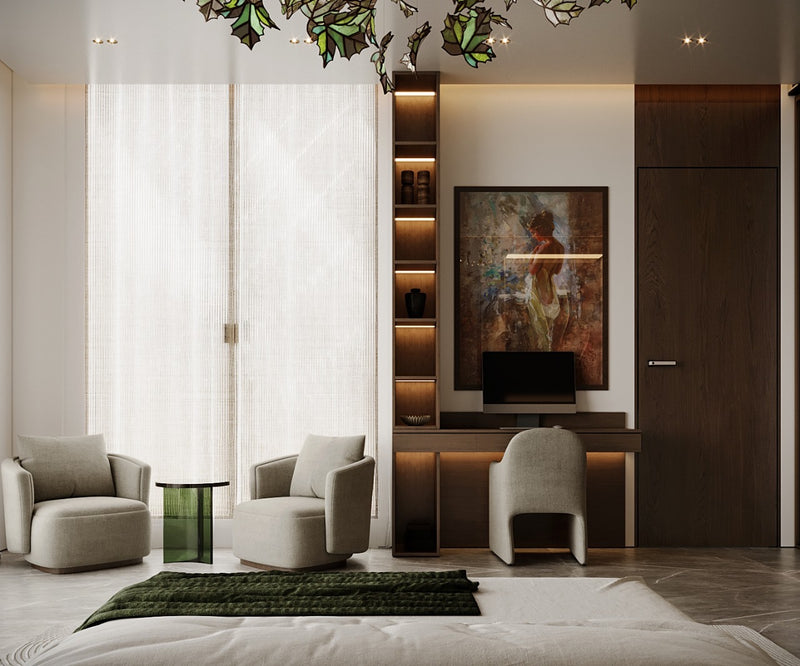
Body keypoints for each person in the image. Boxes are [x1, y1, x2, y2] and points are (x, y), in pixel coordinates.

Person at [525, 210, 566, 349]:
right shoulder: (560, 247)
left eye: (534, 232)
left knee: (539, 329)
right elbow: (557, 270)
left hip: (539, 288)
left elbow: (532, 270)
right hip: (549, 287)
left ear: (541, 229)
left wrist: (533, 256)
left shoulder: (542, 249)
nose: (533, 236)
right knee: (546, 327)